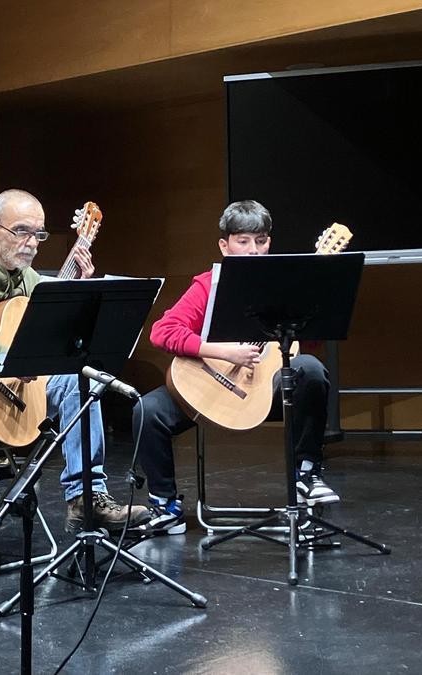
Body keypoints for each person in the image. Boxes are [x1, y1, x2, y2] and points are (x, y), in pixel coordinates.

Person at [0, 189, 149, 582]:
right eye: (21, 231)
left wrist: (80, 293)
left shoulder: (29, 279)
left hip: (16, 397)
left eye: (38, 234)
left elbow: (55, 334)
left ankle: (85, 496)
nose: (31, 243)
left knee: (78, 380)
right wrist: (4, 354)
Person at [132, 199, 338, 536]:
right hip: (211, 384)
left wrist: (309, 306)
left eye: (261, 241)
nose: (254, 250)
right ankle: (165, 505)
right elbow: (163, 332)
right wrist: (224, 352)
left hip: (267, 390)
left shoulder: (286, 285)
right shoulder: (207, 285)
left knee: (311, 370)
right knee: (147, 410)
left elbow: (308, 345)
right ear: (224, 246)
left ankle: (307, 474)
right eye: (243, 241)